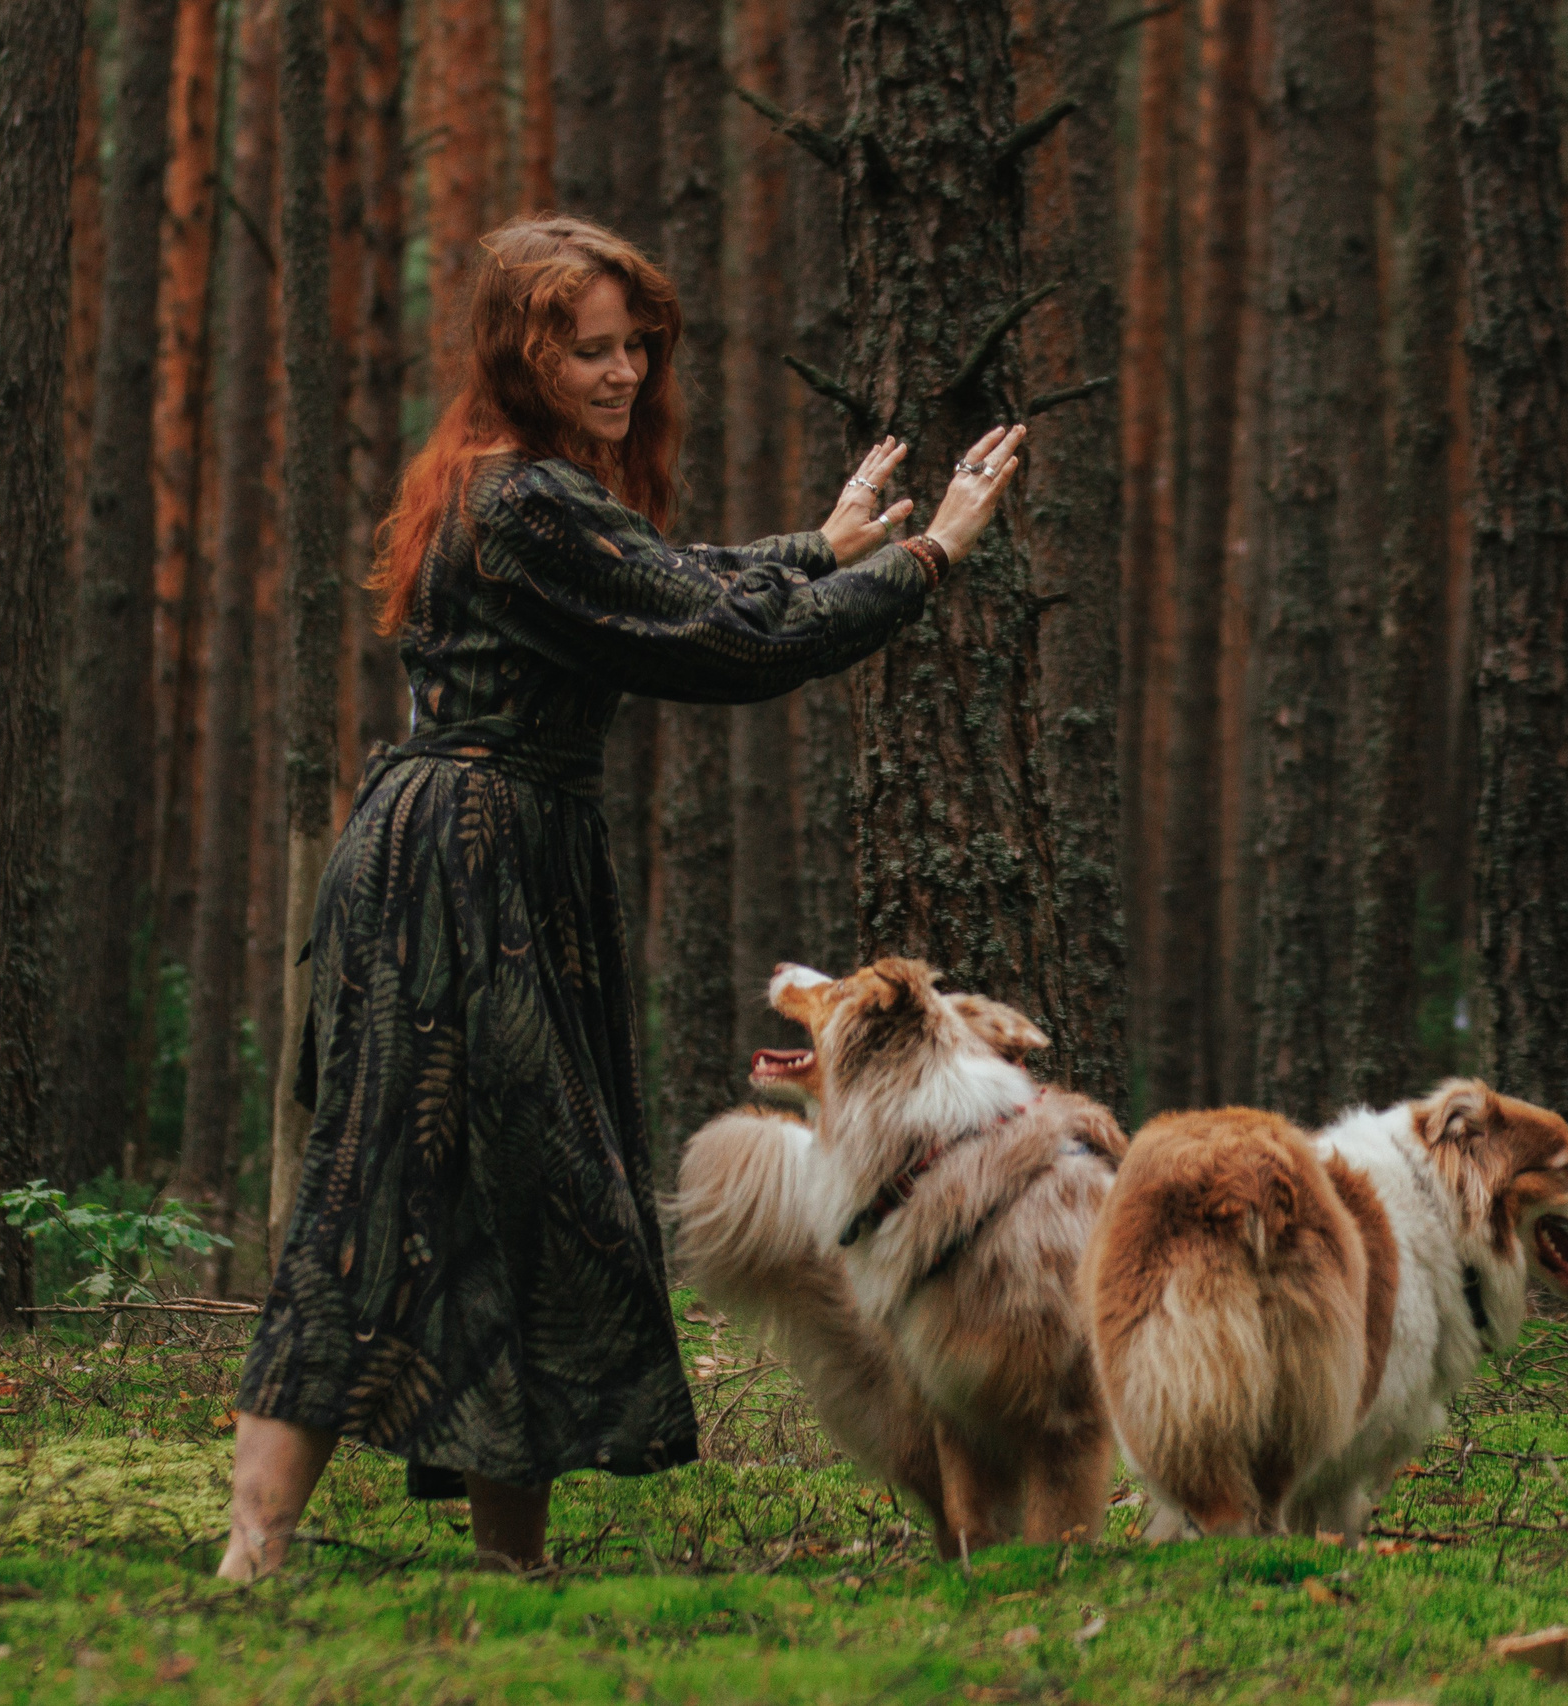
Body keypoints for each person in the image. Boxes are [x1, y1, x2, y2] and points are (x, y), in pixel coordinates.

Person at [217, 214, 1026, 1581]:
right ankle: (253, 1557)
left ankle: (508, 1563)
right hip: (461, 872)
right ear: (521, 356)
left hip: (492, 857)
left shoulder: (520, 493)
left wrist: (822, 547)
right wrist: (927, 555)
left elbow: (668, 579)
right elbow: (728, 638)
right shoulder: (521, 499)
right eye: (590, 350)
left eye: (635, 346)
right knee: (380, 1193)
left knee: (526, 1202)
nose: (624, 373)